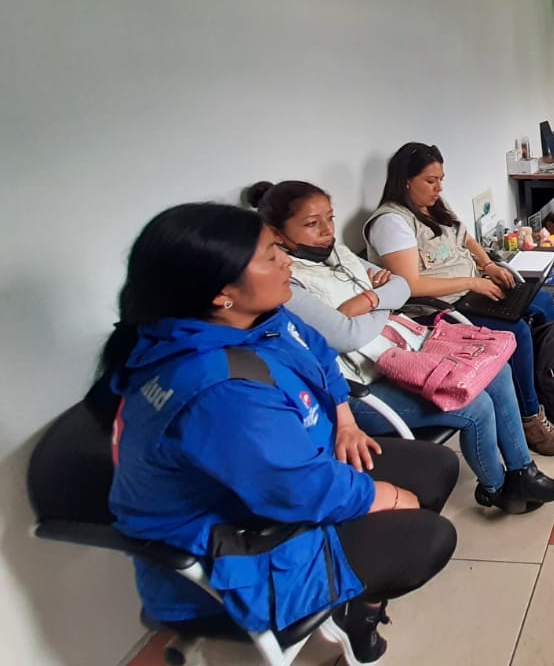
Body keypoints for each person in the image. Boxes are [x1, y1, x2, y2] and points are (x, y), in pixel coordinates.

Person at [93, 203, 458, 665]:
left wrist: (345, 422)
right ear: (222, 293)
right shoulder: (217, 390)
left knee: (435, 467)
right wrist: (379, 494)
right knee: (425, 537)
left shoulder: (260, 320)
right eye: (270, 255)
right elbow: (297, 489)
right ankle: (346, 616)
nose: (287, 260)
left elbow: (320, 354)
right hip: (236, 549)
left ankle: (360, 607)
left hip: (287, 474)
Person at [249, 180, 554, 514]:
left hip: (402, 351)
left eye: (330, 218)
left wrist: (368, 301)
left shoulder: (339, 253)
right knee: (476, 406)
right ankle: (497, 489)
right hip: (363, 385)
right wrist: (382, 302)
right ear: (277, 233)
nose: (327, 230)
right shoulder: (289, 283)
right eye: (311, 224)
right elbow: (348, 336)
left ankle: (522, 472)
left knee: (498, 370)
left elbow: (401, 286)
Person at [365, 142, 554, 456]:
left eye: (441, 179)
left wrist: (488, 265)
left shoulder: (434, 206)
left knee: (541, 302)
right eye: (430, 181)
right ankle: (530, 418)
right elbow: (409, 286)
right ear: (405, 181)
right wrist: (473, 282)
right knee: (515, 331)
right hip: (437, 310)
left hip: (470, 293)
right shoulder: (391, 223)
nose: (439, 188)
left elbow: (464, 237)